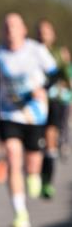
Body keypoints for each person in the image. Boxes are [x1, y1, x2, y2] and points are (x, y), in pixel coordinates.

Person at [0, 13, 58, 227]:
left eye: (15, 26)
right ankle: (20, 213)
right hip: (8, 114)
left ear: (24, 30)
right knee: (12, 156)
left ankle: (35, 174)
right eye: (6, 26)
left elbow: (54, 74)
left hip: (34, 114)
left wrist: (42, 89)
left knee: (32, 162)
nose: (10, 30)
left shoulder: (36, 50)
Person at [36, 19, 72, 198]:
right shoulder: (30, 52)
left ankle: (47, 181)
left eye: (47, 31)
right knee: (36, 144)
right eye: (41, 31)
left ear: (53, 34)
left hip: (55, 101)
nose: (44, 34)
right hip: (33, 104)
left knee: (50, 139)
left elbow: (68, 75)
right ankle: (36, 175)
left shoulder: (59, 53)